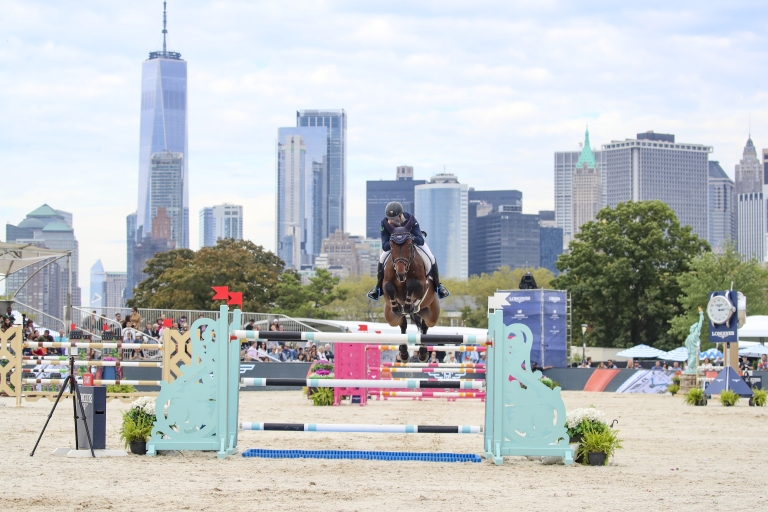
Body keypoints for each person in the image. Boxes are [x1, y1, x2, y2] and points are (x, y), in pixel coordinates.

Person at [367, 201, 450, 300]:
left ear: (400, 215)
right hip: (394, 246)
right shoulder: (384, 223)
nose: (391, 221)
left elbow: (420, 240)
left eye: (393, 219)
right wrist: (394, 241)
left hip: (411, 244)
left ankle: (438, 286)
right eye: (389, 219)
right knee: (381, 259)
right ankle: (377, 288)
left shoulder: (411, 219)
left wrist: (409, 239)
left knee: (431, 258)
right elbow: (385, 246)